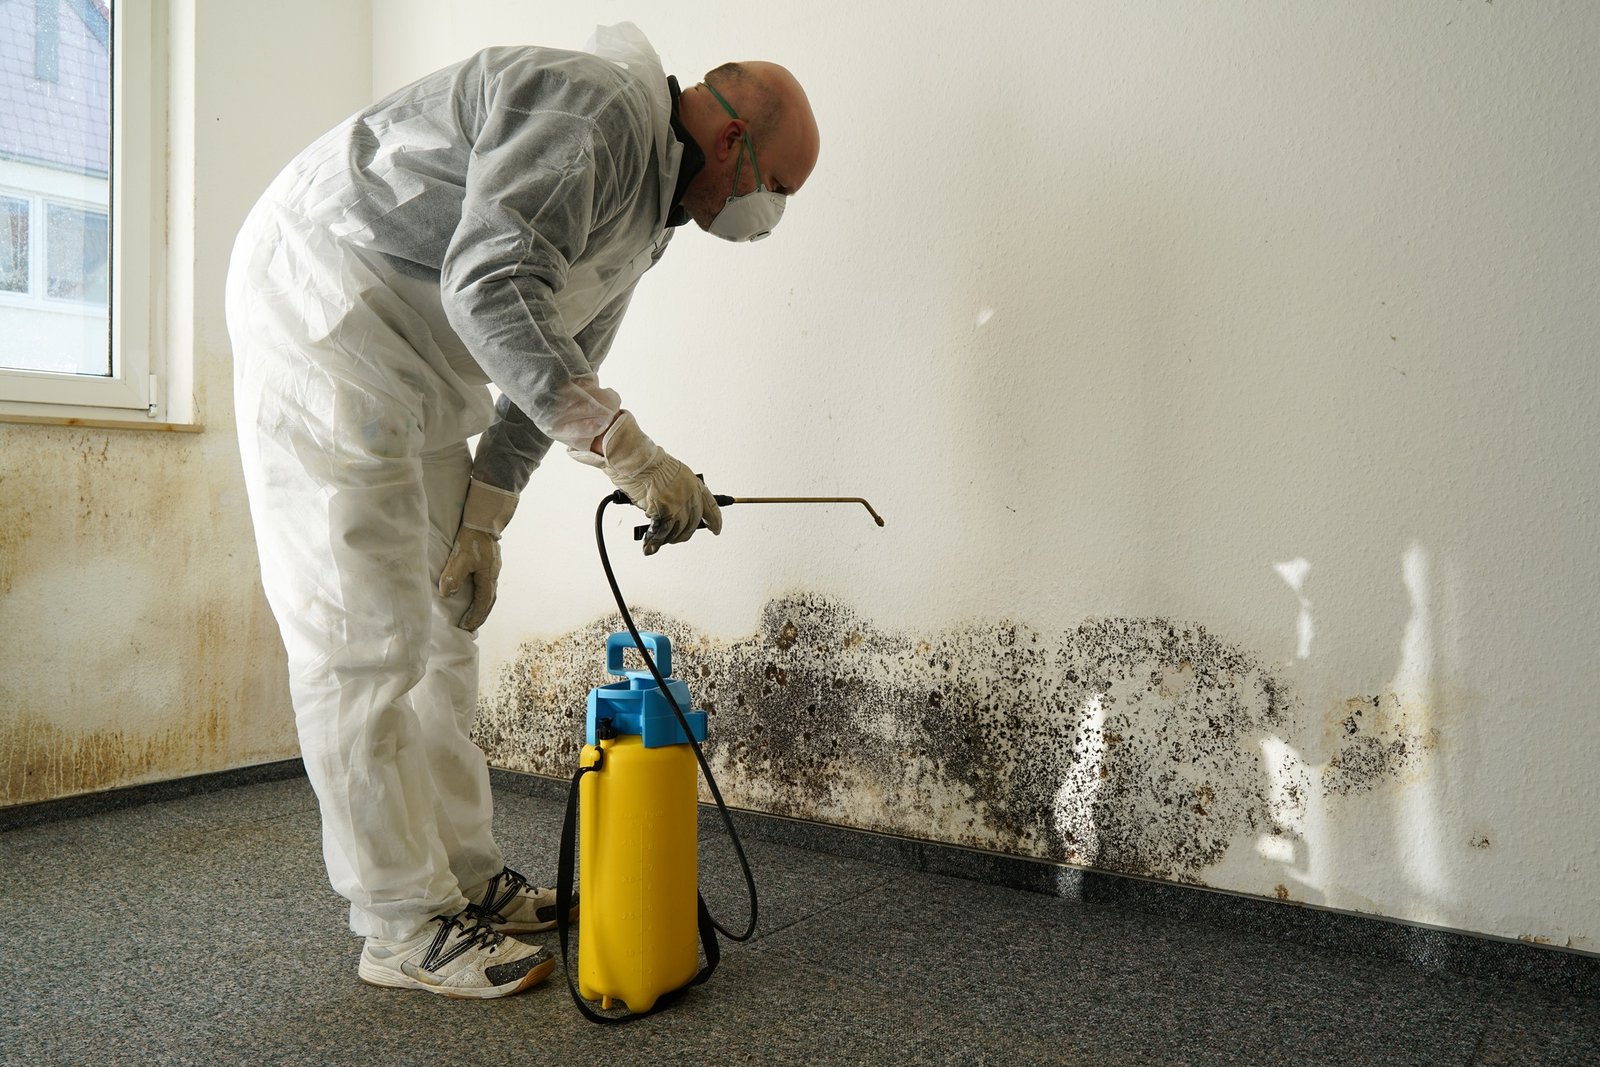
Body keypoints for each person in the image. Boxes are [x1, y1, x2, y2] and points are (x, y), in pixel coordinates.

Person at [225, 22, 819, 999]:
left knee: (442, 632)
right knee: (364, 643)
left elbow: (555, 364)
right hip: (325, 323)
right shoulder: (590, 115)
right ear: (730, 146)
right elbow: (490, 285)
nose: (767, 212)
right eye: (777, 189)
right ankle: (398, 920)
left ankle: (466, 879)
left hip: (409, 366)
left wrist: (483, 520)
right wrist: (633, 455)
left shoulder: (648, 218)